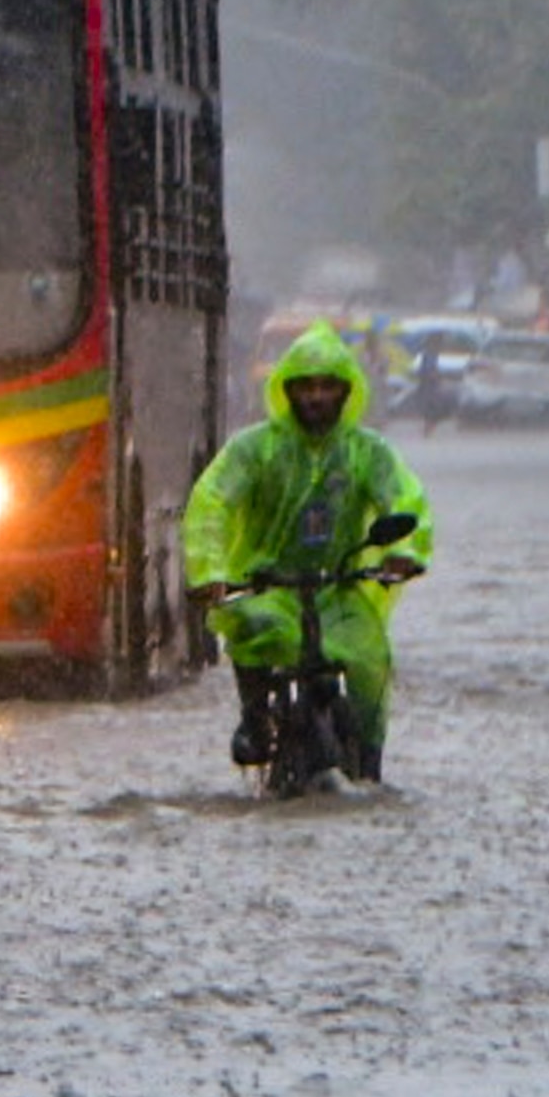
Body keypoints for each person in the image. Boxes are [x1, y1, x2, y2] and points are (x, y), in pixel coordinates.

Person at [183, 320, 433, 780]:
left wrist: (405, 551)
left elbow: (404, 499)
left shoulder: (367, 452)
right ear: (287, 390)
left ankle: (369, 759)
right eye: (306, 387)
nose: (316, 397)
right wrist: (210, 571)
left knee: (370, 658)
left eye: (327, 387)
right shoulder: (255, 449)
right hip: (265, 588)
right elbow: (211, 503)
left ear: (345, 391)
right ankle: (256, 718)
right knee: (254, 628)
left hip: (338, 592)